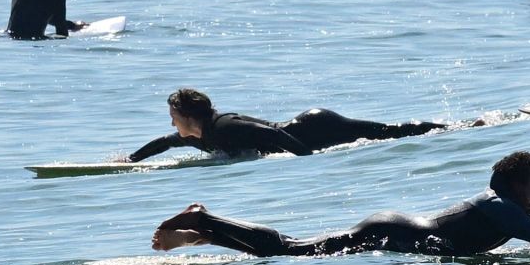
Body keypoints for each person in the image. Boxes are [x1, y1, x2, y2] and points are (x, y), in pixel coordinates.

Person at [149, 150, 530, 257]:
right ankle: (205, 217)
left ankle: (203, 235)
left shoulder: (515, 207)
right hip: (389, 233)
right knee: (290, 250)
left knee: (288, 251)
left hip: (400, 232)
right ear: (514, 184)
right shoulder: (502, 207)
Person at [130, 86, 448, 164]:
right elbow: (166, 142)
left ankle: (447, 129)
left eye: (173, 115)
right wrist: (131, 161)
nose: (171, 121)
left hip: (316, 128)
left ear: (187, 116)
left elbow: (272, 134)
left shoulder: (225, 127)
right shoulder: (199, 135)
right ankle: (444, 127)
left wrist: (306, 158)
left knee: (384, 133)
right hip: (306, 129)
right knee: (382, 132)